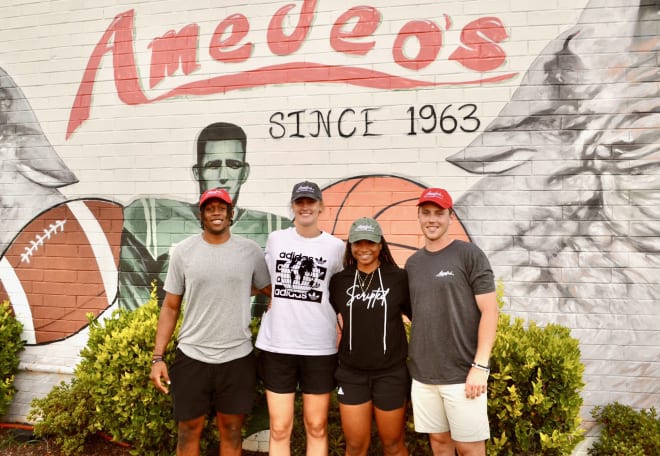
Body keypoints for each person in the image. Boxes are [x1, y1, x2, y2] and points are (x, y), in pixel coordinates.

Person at [149, 187, 271, 456]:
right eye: (209, 208)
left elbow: (268, 289)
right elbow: (170, 306)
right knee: (189, 430)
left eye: (222, 208)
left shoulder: (250, 251)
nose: (216, 212)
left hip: (237, 358)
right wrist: (158, 358)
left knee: (231, 430)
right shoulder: (183, 251)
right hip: (192, 356)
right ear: (201, 214)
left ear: (231, 214)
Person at [120, 122, 291, 311]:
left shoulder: (276, 229)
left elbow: (284, 295)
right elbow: (137, 312)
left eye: (233, 165)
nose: (223, 176)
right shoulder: (150, 218)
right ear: (197, 172)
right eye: (213, 165)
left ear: (244, 172)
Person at [405, 188, 498, 456]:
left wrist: (480, 366)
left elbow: (490, 311)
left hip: (463, 374)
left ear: (450, 217)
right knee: (439, 444)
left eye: (439, 213)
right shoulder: (413, 263)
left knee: (469, 448)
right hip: (424, 375)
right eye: (426, 213)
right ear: (419, 217)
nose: (432, 219)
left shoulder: (469, 254)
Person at [255, 181, 345, 456]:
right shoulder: (276, 239)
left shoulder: (336, 247)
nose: (305, 207)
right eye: (300, 202)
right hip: (278, 346)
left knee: (316, 426)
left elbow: (339, 291)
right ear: (293, 207)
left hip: (319, 347)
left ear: (321, 207)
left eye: (310, 202)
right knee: (280, 427)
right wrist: (276, 298)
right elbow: (263, 279)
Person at [329, 217, 412, 456]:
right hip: (352, 374)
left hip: (391, 374)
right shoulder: (339, 281)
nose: (364, 248)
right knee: (355, 447)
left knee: (393, 445)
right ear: (350, 246)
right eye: (358, 242)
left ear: (380, 245)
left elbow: (418, 316)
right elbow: (323, 313)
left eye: (370, 242)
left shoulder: (398, 278)